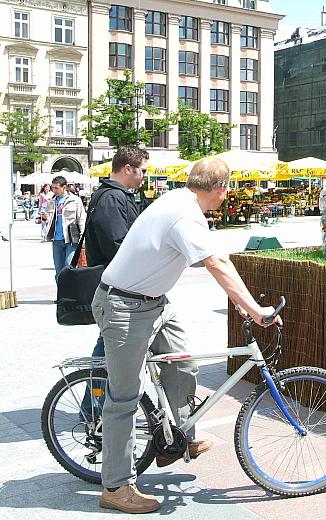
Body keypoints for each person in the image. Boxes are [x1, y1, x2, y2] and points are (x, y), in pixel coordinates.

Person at [92, 157, 281, 514]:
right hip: (123, 307)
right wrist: (256, 310)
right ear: (222, 188)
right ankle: (115, 487)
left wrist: (241, 302)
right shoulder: (184, 214)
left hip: (153, 302)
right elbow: (216, 263)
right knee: (124, 398)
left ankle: (178, 439)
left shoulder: (181, 202)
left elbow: (208, 257)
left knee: (184, 364)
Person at [79, 146, 148, 420]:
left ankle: (98, 405)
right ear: (128, 168)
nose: (144, 176)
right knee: (107, 350)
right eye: (142, 170)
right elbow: (117, 245)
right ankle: (93, 407)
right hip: (118, 287)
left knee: (109, 347)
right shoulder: (111, 199)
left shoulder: (115, 196)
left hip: (122, 286)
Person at [43, 176, 86, 280]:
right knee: (58, 271)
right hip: (56, 239)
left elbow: (82, 219)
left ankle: (70, 295)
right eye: (53, 188)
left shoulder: (75, 200)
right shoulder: (51, 202)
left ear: (64, 187)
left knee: (68, 267)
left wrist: (83, 238)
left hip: (71, 239)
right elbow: (49, 220)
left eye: (56, 188)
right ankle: (61, 294)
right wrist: (45, 219)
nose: (54, 190)